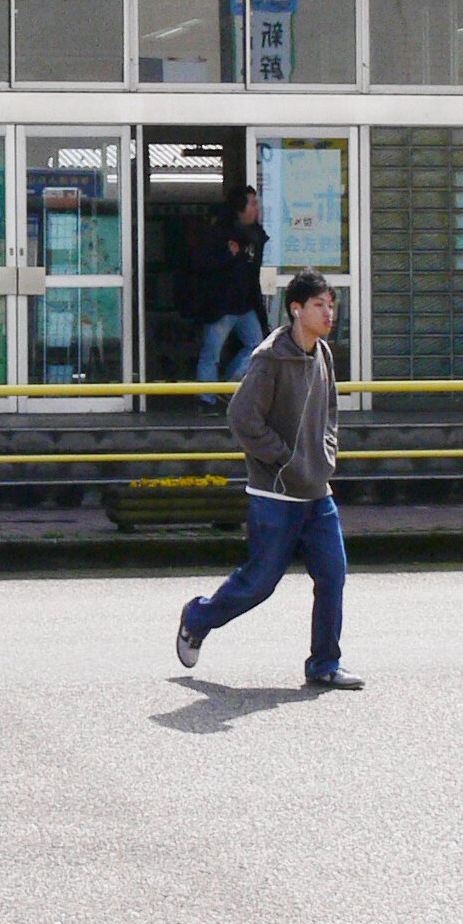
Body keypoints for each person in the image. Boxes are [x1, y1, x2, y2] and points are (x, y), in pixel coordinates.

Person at [176, 270, 361, 689]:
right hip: (276, 496)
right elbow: (242, 419)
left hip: (317, 493)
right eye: (319, 305)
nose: (328, 313)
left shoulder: (323, 353)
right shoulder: (270, 358)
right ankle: (198, 617)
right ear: (296, 309)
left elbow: (331, 411)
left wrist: (326, 453)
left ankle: (324, 664)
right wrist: (286, 459)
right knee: (258, 584)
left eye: (331, 305)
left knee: (332, 576)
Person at [190, 187, 270, 393]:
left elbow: (253, 276)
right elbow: (201, 266)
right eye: (252, 203)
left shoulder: (256, 237)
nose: (257, 208)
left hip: (245, 305)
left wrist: (260, 310)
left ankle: (228, 385)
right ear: (239, 208)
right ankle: (207, 399)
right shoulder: (218, 235)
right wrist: (228, 256)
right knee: (211, 355)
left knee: (258, 348)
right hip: (221, 306)